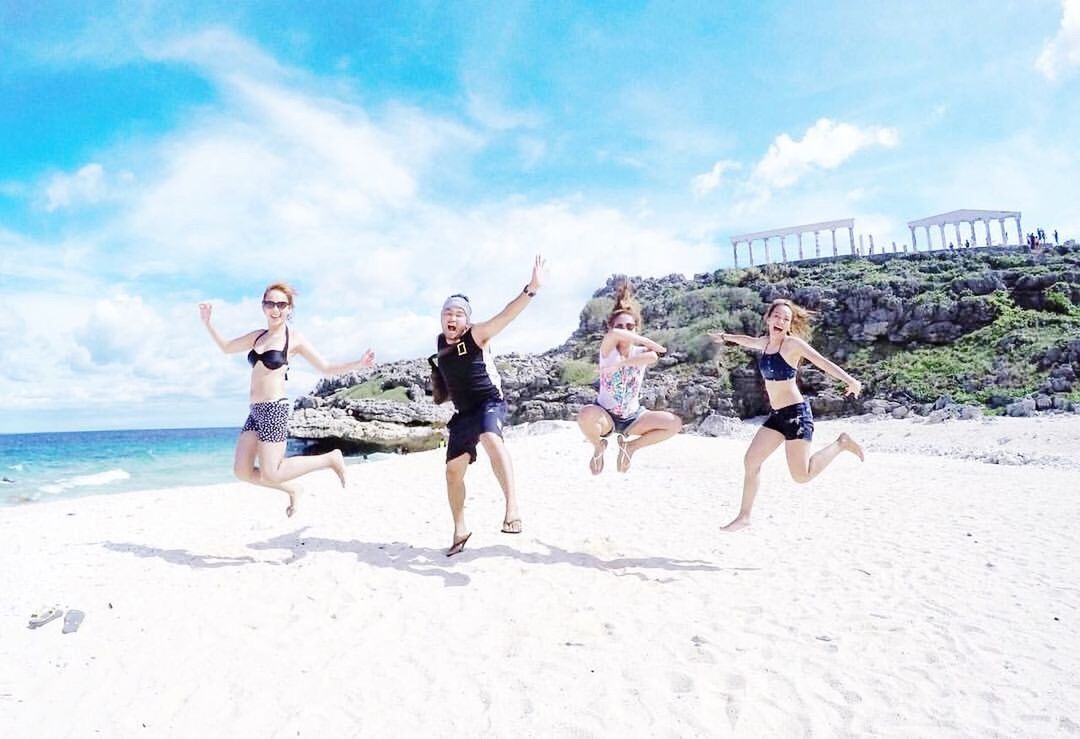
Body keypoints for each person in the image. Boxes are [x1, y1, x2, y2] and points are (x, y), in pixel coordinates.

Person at [199, 283, 375, 517]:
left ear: (289, 308)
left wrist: (357, 364)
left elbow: (325, 367)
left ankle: (330, 458)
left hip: (274, 409)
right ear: (263, 306)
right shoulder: (257, 336)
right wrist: (208, 322)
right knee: (242, 471)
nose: (275, 309)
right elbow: (226, 347)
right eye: (270, 303)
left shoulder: (294, 339)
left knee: (271, 472)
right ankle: (293, 489)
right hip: (255, 410)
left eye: (281, 304)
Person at [709, 298, 864, 531]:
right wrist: (725, 337)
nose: (780, 321)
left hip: (796, 415)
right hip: (777, 416)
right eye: (777, 316)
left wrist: (851, 380)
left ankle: (841, 443)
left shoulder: (792, 345)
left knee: (802, 476)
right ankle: (745, 516)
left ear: (789, 325)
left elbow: (822, 362)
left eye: (786, 319)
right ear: (768, 319)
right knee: (751, 460)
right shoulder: (764, 343)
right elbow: (747, 341)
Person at [431, 256, 545, 556]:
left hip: (489, 404)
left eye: (457, 313)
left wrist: (530, 290)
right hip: (463, 414)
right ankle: (459, 528)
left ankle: (512, 509)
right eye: (446, 313)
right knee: (453, 473)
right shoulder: (441, 344)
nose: (451, 318)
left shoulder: (476, 334)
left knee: (491, 438)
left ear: (466, 319)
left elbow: (506, 315)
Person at [576, 280, 682, 475]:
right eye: (620, 326)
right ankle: (599, 446)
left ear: (636, 328)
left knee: (674, 423)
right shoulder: (607, 351)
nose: (624, 330)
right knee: (585, 414)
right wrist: (640, 342)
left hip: (634, 416)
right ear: (611, 328)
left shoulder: (640, 351)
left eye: (630, 326)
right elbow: (616, 334)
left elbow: (653, 356)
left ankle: (630, 447)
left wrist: (621, 365)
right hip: (605, 414)